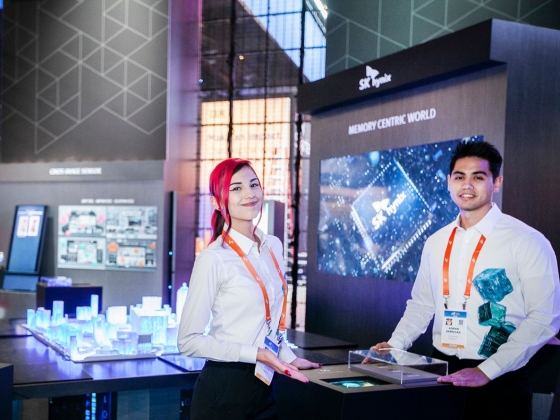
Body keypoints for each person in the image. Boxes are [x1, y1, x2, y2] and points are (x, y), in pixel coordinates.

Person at [371, 141, 560, 419]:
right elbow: (422, 305)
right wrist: (394, 345)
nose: (467, 185)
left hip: (500, 379)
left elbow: (544, 319)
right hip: (442, 372)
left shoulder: (527, 241)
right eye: (459, 177)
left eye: (478, 177)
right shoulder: (436, 242)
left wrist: (487, 370)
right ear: (449, 182)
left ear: (496, 183)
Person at [178, 158, 320, 420]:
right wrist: (256, 354)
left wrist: (288, 356)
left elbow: (265, 324)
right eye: (236, 188)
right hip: (223, 391)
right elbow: (188, 341)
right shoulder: (213, 258)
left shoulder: (273, 246)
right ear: (217, 202)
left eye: (254, 184)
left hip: (264, 387)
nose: (250, 194)